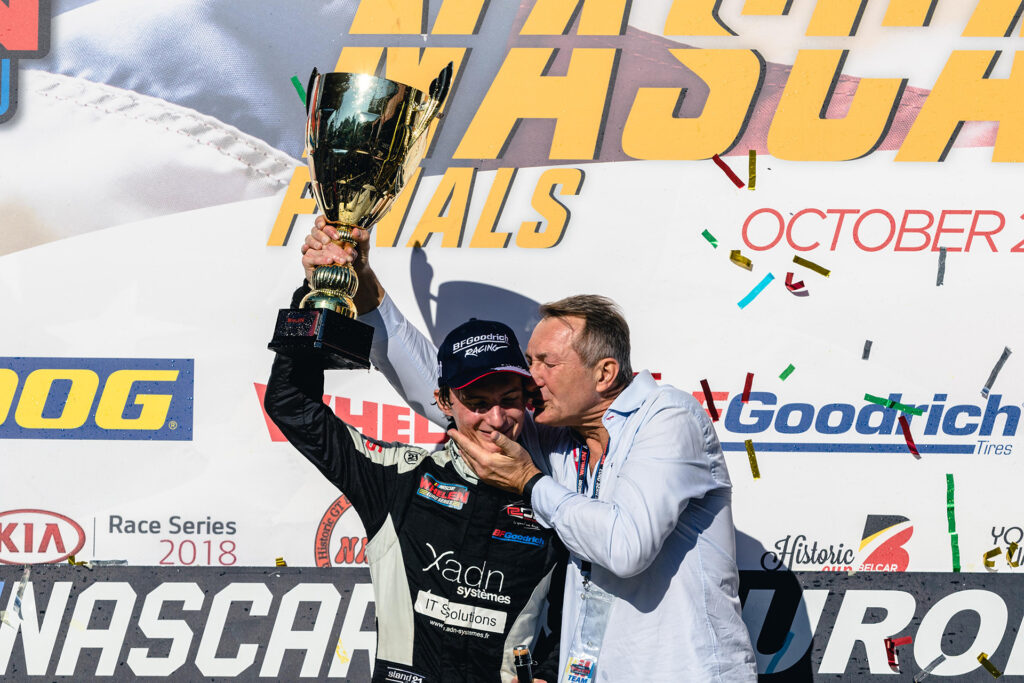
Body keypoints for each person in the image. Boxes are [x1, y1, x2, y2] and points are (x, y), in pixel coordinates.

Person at [302, 217, 758, 682]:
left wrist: (530, 482)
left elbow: (627, 548)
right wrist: (365, 293)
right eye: (529, 359)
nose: (531, 376)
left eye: (546, 363)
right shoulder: (557, 433)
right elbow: (447, 396)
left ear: (604, 374)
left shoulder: (668, 418)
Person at [265, 262, 566, 682]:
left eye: (509, 399)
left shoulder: (557, 498)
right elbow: (292, 407)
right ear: (444, 402)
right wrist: (317, 288)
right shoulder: (398, 477)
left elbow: (577, 614)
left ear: (526, 397)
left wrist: (548, 674)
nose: (496, 420)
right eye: (477, 403)